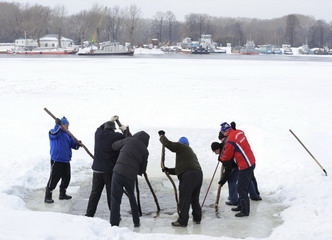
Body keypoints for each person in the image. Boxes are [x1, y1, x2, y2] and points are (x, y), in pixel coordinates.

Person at [159, 130, 203, 227]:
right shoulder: (190, 153)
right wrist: (168, 170)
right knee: (194, 198)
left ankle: (182, 221)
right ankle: (197, 217)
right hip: (198, 175)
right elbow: (181, 169)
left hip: (189, 176)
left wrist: (162, 136)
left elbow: (169, 144)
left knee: (184, 198)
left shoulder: (181, 147)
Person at [85, 120, 126, 217]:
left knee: (95, 193)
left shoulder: (98, 134)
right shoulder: (116, 136)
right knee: (111, 195)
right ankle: (114, 215)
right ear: (113, 129)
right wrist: (124, 130)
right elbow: (127, 138)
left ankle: (89, 214)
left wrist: (110, 120)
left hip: (97, 170)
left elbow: (99, 127)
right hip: (109, 171)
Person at [110, 130, 150, 227]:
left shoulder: (129, 140)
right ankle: (136, 222)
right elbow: (142, 170)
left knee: (115, 199)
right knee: (132, 197)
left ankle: (114, 223)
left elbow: (114, 146)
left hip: (118, 172)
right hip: (130, 176)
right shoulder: (145, 151)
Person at [218, 122, 256, 217]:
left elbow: (227, 156)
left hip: (245, 165)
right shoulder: (239, 132)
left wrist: (220, 158)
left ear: (224, 132)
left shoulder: (230, 140)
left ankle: (245, 211)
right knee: (242, 185)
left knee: (241, 188)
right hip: (251, 160)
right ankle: (240, 205)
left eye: (222, 132)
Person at [211, 142, 261, 206]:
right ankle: (254, 195)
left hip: (239, 164)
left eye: (215, 151)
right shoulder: (225, 145)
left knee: (232, 180)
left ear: (218, 149)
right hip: (245, 161)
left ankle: (234, 200)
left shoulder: (224, 154)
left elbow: (228, 171)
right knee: (247, 179)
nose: (215, 153)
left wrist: (222, 181)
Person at [44, 117, 80, 203]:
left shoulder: (67, 134)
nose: (68, 127)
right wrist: (57, 126)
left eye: (68, 125)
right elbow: (54, 134)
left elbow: (73, 145)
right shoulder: (53, 131)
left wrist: (78, 144)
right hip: (57, 160)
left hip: (66, 160)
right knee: (54, 179)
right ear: (61, 125)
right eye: (66, 125)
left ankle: (62, 194)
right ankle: (47, 196)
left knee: (66, 178)